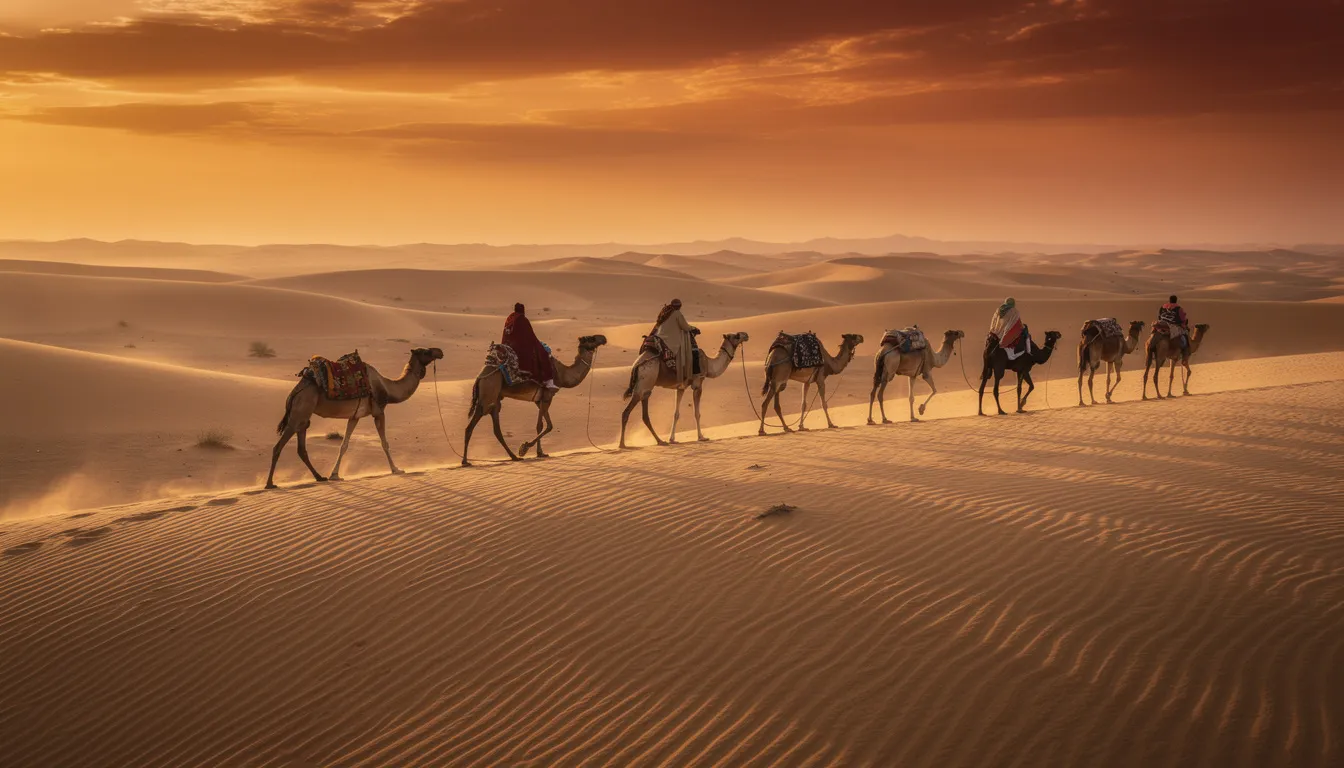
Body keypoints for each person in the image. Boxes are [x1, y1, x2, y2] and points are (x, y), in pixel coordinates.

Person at [502, 303, 557, 389]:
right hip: (520, 349)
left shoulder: (510, 319)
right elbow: (530, 336)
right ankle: (547, 381)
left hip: (508, 348)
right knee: (543, 353)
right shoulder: (522, 319)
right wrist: (538, 344)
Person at [652, 298, 697, 387]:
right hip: (669, 340)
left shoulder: (665, 313)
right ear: (679, 306)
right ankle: (681, 374)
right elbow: (685, 327)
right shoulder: (677, 313)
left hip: (659, 337)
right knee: (683, 351)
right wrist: (694, 328)